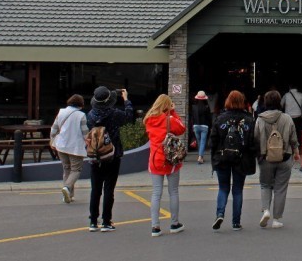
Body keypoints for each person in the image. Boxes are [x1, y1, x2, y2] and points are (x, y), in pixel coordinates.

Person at [87, 86, 134, 232]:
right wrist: (126, 99)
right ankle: (106, 221)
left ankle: (93, 221)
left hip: (95, 155)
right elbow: (129, 117)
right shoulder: (114, 114)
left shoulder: (91, 115)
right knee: (109, 188)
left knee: (95, 189)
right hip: (113, 154)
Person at [209, 90, 256, 231]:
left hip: (222, 157)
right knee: (237, 190)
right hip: (241, 159)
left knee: (223, 188)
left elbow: (213, 140)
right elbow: (253, 142)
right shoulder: (249, 120)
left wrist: (213, 158)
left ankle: (220, 213)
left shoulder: (220, 118)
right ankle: (236, 222)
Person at [255, 89, 299, 229]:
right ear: (279, 102)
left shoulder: (260, 119)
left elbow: (255, 138)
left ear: (266, 102)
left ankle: (266, 209)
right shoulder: (287, 118)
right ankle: (277, 219)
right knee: (280, 188)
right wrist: (296, 152)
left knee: (265, 184)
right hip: (284, 157)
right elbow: (293, 138)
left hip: (265, 157)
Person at [144, 94, 187, 237]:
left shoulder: (149, 119)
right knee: (173, 192)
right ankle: (174, 223)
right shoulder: (169, 119)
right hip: (170, 159)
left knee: (156, 193)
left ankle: (155, 227)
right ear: (167, 105)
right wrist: (173, 112)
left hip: (155, 159)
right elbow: (181, 128)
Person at [50, 94, 89, 204]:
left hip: (61, 145)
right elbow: (85, 132)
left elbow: (54, 128)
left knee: (67, 169)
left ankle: (69, 196)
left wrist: (52, 139)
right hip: (75, 147)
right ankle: (67, 188)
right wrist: (89, 141)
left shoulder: (61, 112)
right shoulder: (81, 115)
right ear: (81, 104)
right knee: (76, 170)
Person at [192, 91, 211, 164]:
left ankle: (200, 156)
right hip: (204, 126)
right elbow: (209, 118)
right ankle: (200, 157)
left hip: (196, 126)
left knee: (199, 142)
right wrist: (210, 126)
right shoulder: (207, 107)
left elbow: (192, 118)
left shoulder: (193, 107)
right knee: (203, 142)